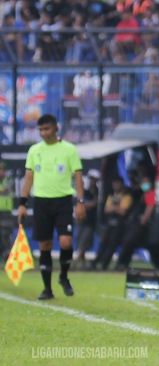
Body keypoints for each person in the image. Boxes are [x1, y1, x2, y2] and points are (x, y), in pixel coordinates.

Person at [17, 114, 86, 300]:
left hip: (63, 201)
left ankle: (63, 275)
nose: (43, 133)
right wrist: (22, 204)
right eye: (40, 130)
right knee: (45, 244)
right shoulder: (34, 150)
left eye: (46, 129)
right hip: (41, 201)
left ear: (56, 128)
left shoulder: (69, 150)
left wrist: (80, 202)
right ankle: (47, 289)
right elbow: (29, 177)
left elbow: (78, 176)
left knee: (65, 242)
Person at [116, 174, 156, 270]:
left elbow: (150, 207)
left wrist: (144, 220)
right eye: (143, 182)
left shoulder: (150, 193)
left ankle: (122, 263)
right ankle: (122, 263)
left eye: (146, 182)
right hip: (139, 223)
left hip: (143, 225)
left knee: (129, 242)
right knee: (130, 243)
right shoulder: (143, 194)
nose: (144, 184)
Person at [92, 176, 132, 270]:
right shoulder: (111, 195)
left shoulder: (126, 196)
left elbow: (123, 211)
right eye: (114, 184)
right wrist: (116, 208)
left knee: (112, 244)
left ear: (121, 184)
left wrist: (113, 208)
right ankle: (96, 262)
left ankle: (104, 264)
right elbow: (106, 209)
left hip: (120, 225)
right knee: (104, 242)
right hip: (110, 224)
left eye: (117, 184)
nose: (115, 186)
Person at [75, 168, 100, 269]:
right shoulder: (84, 191)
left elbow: (94, 203)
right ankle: (82, 263)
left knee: (85, 241)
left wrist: (86, 205)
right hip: (81, 220)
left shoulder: (97, 192)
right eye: (91, 179)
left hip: (90, 221)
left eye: (94, 179)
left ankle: (77, 261)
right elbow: (82, 204)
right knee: (81, 240)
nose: (93, 181)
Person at [0, 162, 14, 263]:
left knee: (6, 234)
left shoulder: (8, 180)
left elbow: (5, 189)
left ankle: (7, 257)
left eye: (1, 170)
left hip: (6, 212)